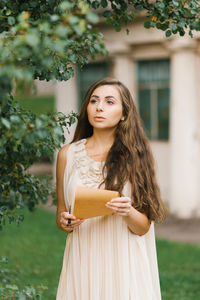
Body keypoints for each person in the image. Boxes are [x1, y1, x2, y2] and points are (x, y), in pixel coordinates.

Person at [56, 77, 168, 300]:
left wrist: (127, 211)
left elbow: (143, 227)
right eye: (94, 100)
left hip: (124, 262)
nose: (99, 107)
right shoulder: (67, 154)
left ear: (124, 113)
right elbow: (62, 215)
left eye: (109, 102)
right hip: (83, 259)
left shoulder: (137, 155)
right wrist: (65, 221)